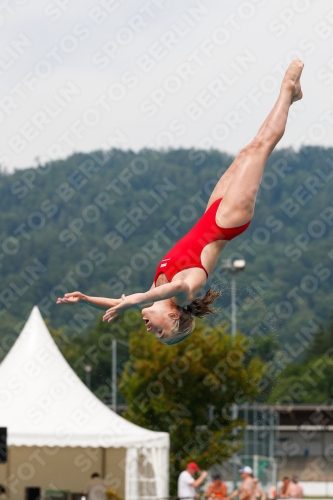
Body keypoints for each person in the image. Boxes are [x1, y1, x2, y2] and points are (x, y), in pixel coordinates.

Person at [57, 60, 304, 346]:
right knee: (260, 148)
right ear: (174, 317)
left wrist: (87, 299)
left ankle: (292, 95)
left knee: (249, 148)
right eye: (162, 332)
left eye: (155, 335)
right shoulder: (181, 294)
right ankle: (288, 90)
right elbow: (170, 287)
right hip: (228, 220)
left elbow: (121, 301)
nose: (152, 331)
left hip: (213, 213)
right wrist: (135, 301)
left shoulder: (156, 289)